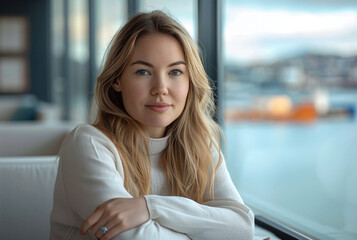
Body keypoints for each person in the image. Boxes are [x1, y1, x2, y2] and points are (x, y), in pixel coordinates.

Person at [50, 10, 254, 240]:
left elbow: (242, 228)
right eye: (143, 71)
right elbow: (130, 237)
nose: (161, 87)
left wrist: (150, 207)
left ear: (190, 82)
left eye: (175, 71)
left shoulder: (200, 144)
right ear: (117, 80)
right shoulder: (88, 143)